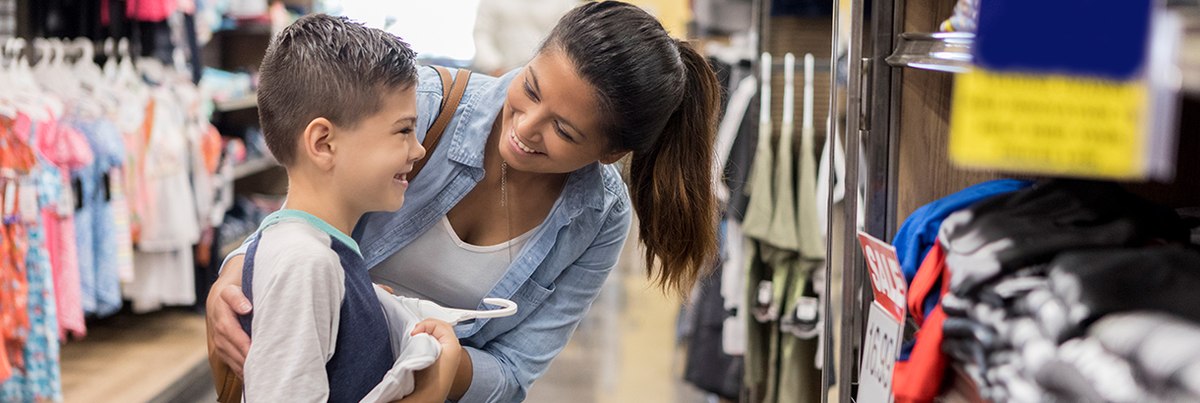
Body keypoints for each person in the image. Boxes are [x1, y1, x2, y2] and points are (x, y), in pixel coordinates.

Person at [208, 2, 721, 401]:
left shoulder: (597, 219)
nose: (524, 128)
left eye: (563, 130)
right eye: (532, 88)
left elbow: (514, 372)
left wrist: (444, 367)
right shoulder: (422, 105)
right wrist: (236, 276)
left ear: (611, 152)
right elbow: (307, 203)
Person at [229, 14, 461, 402]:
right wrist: (432, 390)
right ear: (323, 143)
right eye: (404, 130)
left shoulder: (316, 252)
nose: (418, 149)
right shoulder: (305, 263)